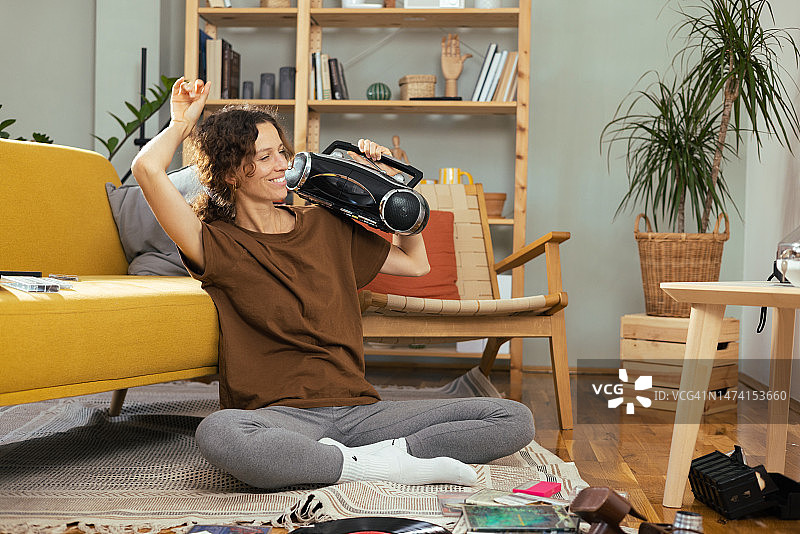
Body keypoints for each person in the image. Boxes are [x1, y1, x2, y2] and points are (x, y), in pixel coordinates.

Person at [131, 77, 534, 490]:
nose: (282, 164)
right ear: (231, 172)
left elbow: (416, 264)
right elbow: (146, 169)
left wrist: (393, 188)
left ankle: (363, 460)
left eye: (282, 152)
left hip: (360, 412)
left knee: (512, 418)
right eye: (265, 156)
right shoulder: (213, 243)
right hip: (279, 417)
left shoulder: (325, 223)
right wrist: (181, 123)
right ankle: (381, 466)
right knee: (220, 433)